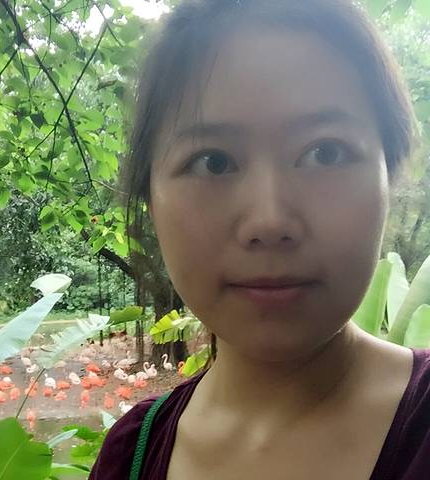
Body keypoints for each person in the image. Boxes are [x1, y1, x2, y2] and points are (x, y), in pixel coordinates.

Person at [89, 0, 427, 478]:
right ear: (150, 200)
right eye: (213, 162)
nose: (269, 221)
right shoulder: (129, 457)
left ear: (388, 176)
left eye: (325, 153)